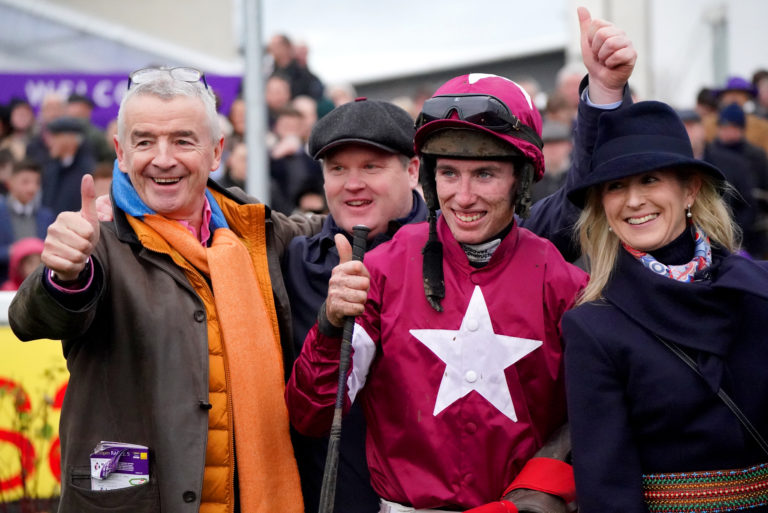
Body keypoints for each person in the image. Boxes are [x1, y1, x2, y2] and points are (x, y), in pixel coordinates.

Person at [286, 8, 636, 512]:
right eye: (449, 174)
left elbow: (598, 421)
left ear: (520, 179)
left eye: (486, 174)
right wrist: (330, 327)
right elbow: (312, 416)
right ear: (428, 179)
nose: (464, 196)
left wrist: (603, 96)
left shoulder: (564, 281)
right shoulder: (380, 270)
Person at [8, 66, 322, 513]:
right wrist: (63, 273)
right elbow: (30, 317)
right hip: (130, 496)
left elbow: (333, 231)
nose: (162, 158)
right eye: (144, 141)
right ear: (119, 151)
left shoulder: (253, 229)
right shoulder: (98, 236)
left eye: (182, 140)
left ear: (216, 152)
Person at [562, 101, 768, 513]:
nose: (633, 200)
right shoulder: (594, 328)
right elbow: (607, 489)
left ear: (689, 188)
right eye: (615, 187)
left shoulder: (758, 291)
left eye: (650, 180)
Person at [282, 97, 428, 513]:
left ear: (412, 169)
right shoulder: (296, 259)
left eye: (371, 166)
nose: (353, 183)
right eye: (338, 169)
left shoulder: (452, 251)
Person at [0, 158, 55, 282]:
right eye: (25, 182)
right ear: (10, 183)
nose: (32, 188)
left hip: (39, 285)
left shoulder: (46, 216)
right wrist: (12, 252)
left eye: (36, 182)